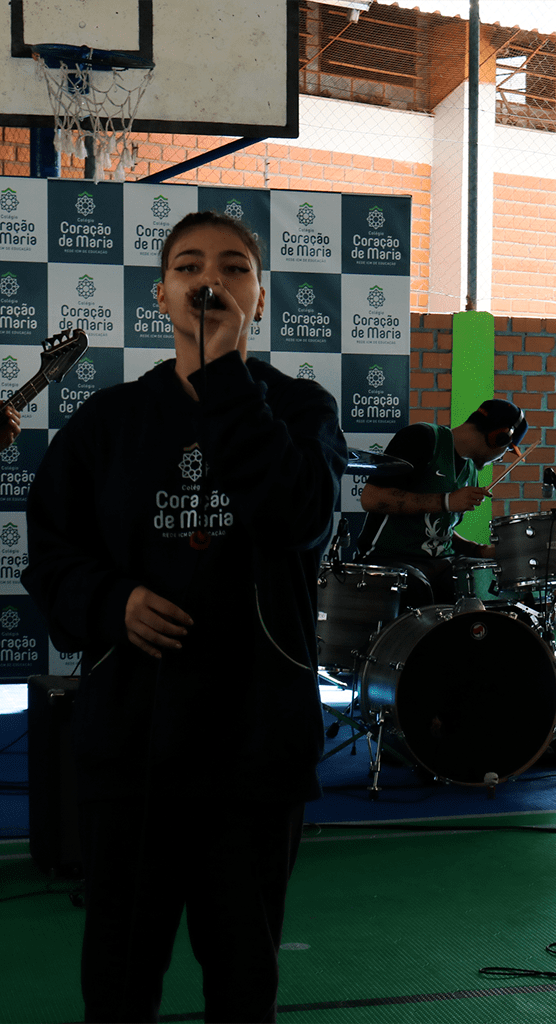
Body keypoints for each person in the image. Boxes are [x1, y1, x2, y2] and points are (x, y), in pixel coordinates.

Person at [22, 211, 346, 1022]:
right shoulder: (107, 423)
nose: (211, 281)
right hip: (132, 745)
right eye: (189, 266)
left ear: (260, 298)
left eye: (234, 268)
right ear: (161, 295)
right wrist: (112, 603)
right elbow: (51, 557)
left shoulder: (302, 411)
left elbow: (299, 517)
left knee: (243, 980)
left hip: (256, 746)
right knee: (118, 980)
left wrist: (224, 375)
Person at [356, 399, 527, 606]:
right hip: (390, 558)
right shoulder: (422, 438)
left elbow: (437, 529)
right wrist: (446, 501)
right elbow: (372, 498)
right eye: (506, 450)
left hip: (441, 563)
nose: (500, 458)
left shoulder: (471, 472)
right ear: (499, 438)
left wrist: (479, 550)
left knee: (487, 582)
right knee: (417, 588)